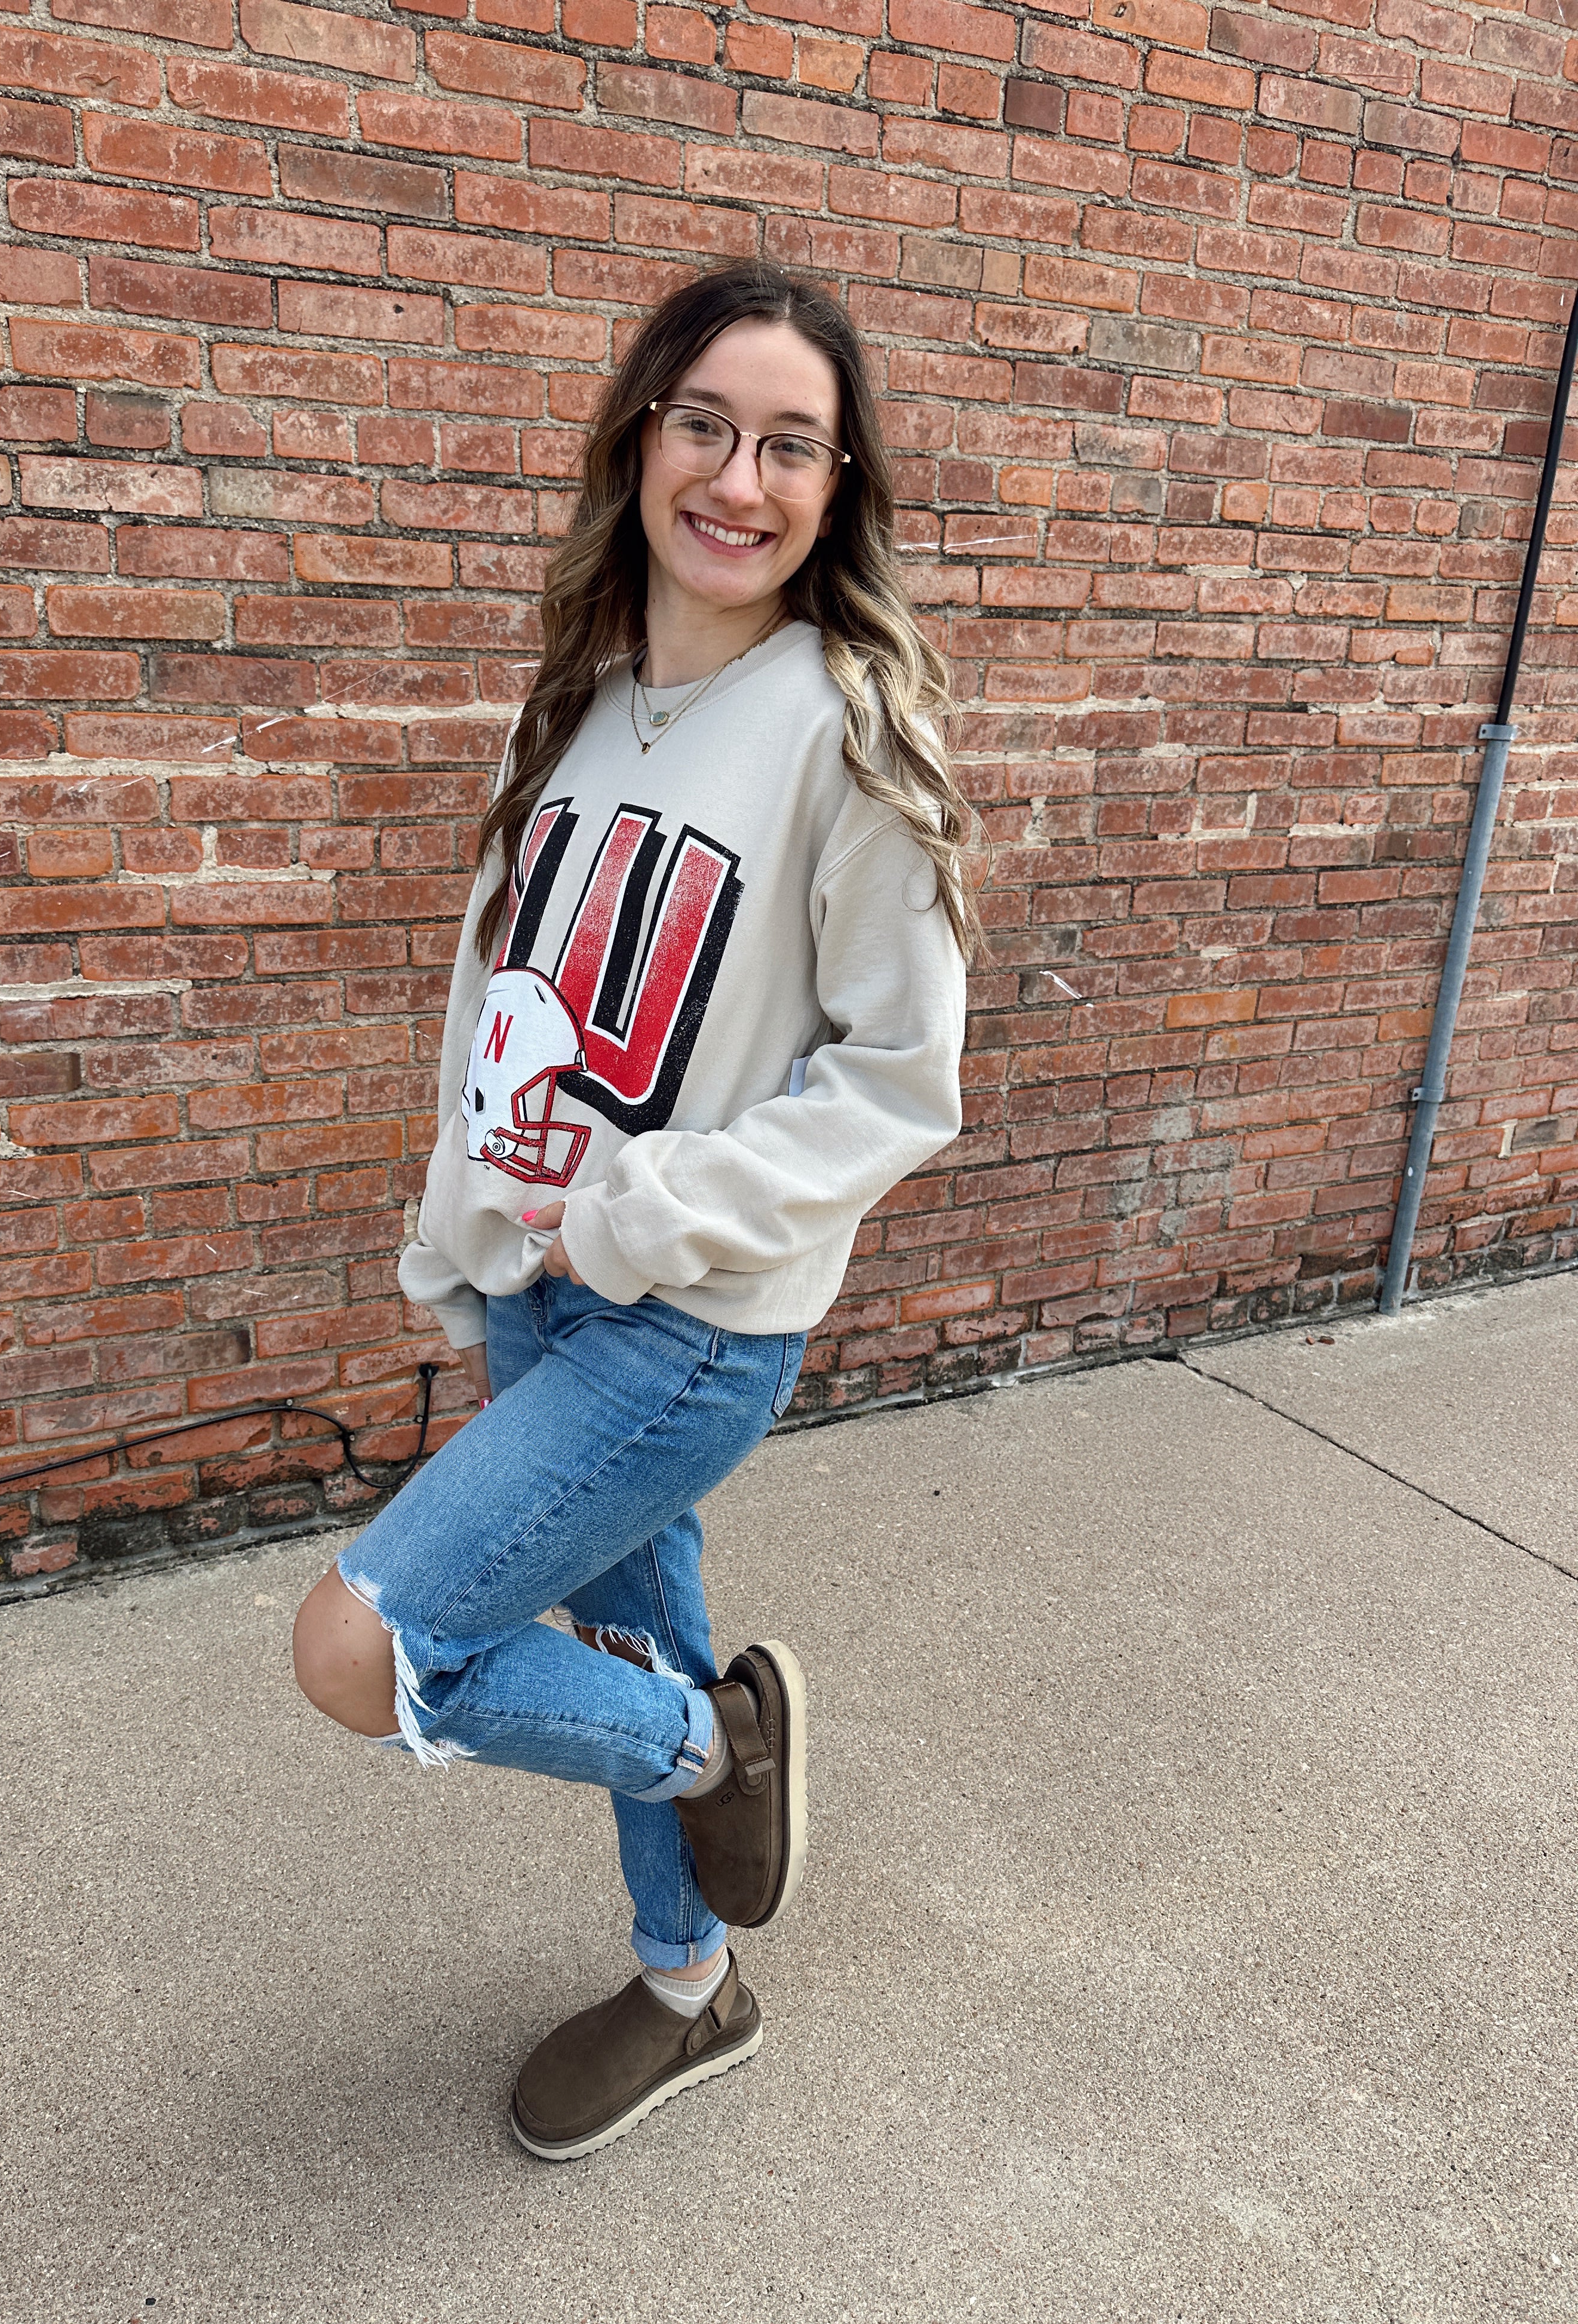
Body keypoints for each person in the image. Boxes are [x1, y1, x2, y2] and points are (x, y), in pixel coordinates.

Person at [291, 261, 973, 2160]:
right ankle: (694, 1989)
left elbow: (899, 1077)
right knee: (637, 1618)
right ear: (641, 438)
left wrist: (644, 1215)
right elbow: (496, 1012)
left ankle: (712, 1752)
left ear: (838, 493)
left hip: (686, 1329)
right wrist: (468, 1243)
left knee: (369, 1652)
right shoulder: (584, 710)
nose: (739, 479)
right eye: (706, 426)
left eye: (791, 446)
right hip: (542, 1296)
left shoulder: (843, 727)